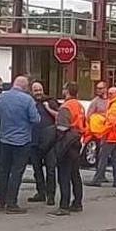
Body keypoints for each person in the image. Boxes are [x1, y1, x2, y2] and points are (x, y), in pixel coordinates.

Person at [0, 75, 41, 214]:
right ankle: (12, 203)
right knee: (16, 172)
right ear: (25, 87)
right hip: (22, 141)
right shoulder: (28, 100)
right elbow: (36, 119)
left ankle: (0, 201)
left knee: (3, 171)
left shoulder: (1, 97)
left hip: (4, 140)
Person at [50, 82, 85, 215]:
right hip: (76, 140)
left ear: (67, 91)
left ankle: (64, 206)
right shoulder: (79, 106)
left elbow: (62, 128)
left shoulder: (66, 107)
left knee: (64, 175)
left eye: (64, 89)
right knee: (75, 174)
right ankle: (77, 202)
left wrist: (56, 143)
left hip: (67, 142)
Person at [87, 86, 116, 188]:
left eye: (111, 93)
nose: (109, 95)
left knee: (103, 157)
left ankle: (97, 179)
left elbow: (111, 122)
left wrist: (102, 130)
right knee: (115, 158)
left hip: (111, 135)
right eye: (109, 93)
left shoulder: (115, 106)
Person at [27, 81, 59, 205]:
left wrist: (48, 108)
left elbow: (59, 116)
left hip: (50, 142)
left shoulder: (50, 101)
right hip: (34, 141)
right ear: (32, 91)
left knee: (51, 170)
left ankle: (50, 195)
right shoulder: (29, 102)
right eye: (36, 90)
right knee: (37, 169)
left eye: (40, 90)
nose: (38, 93)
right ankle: (41, 192)